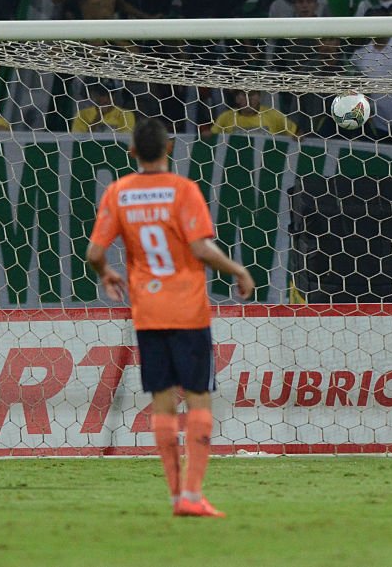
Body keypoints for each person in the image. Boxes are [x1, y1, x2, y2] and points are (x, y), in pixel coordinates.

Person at [86, 118, 255, 518]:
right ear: (169, 149)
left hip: (148, 313)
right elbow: (199, 247)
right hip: (188, 311)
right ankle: (193, 496)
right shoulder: (183, 191)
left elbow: (94, 253)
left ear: (132, 153)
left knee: (162, 404)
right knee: (198, 398)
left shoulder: (118, 192)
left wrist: (107, 273)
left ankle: (176, 495)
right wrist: (237, 270)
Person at [72, 81, 136, 134]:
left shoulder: (126, 115)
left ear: (114, 96)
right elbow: (78, 140)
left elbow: (126, 141)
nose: (106, 99)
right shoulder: (82, 115)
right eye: (102, 94)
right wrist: (97, 118)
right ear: (94, 95)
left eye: (110, 94)